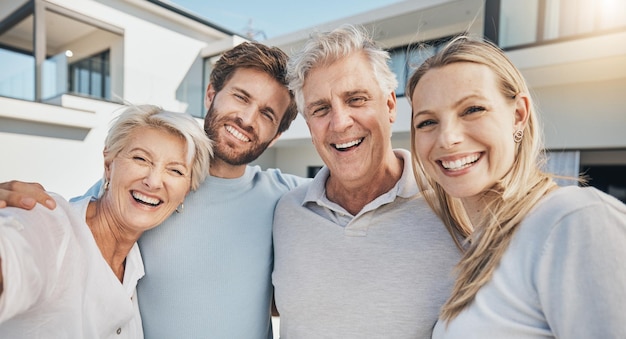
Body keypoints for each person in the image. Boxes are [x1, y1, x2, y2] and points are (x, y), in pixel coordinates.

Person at [0, 42, 308, 338]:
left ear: (278, 133)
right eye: (241, 97)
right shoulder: (140, 190)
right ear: (211, 93)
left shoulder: (289, 197)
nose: (247, 118)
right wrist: (21, 212)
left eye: (267, 114)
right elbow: (59, 235)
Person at [407, 36, 626, 338]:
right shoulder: (477, 248)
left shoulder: (573, 220)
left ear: (518, 115)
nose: (447, 138)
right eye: (427, 122)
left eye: (472, 110)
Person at [272, 24, 461, 338]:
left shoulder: (453, 205)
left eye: (356, 99)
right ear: (309, 124)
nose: (340, 122)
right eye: (320, 109)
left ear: (389, 105)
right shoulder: (286, 212)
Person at [0, 104, 212, 338]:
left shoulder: (135, 269)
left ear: (186, 192)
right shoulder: (52, 222)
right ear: (109, 165)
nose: (153, 181)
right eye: (141, 158)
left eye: (175, 171)